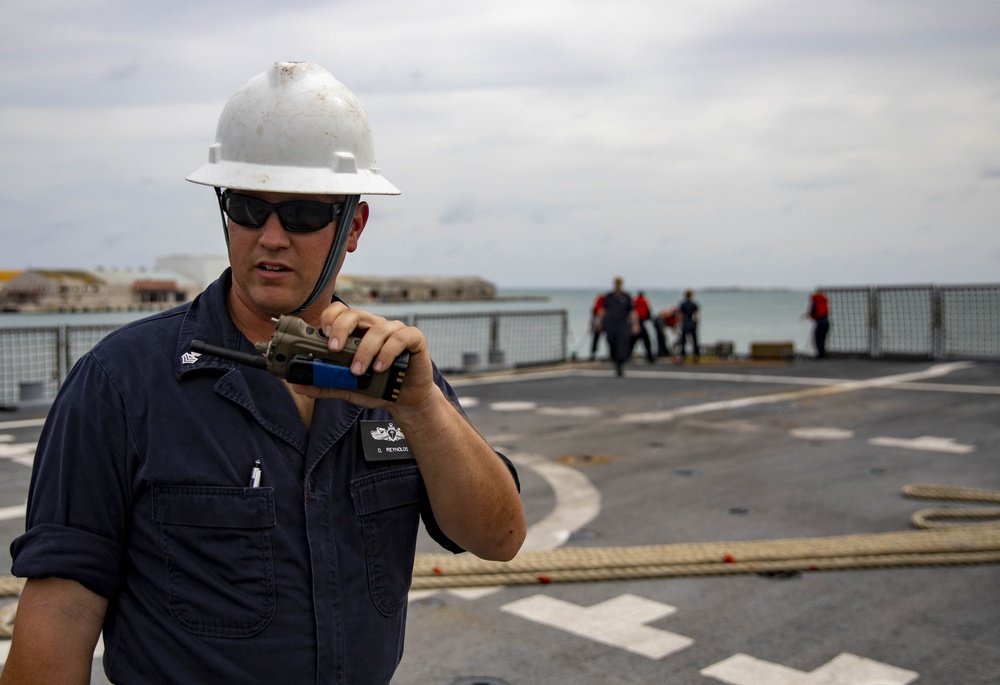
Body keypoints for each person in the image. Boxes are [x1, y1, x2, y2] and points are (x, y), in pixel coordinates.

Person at [2, 62, 526, 685]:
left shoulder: (394, 375)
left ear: (352, 227)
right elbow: (60, 611)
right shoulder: (120, 382)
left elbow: (498, 537)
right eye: (249, 208)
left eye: (303, 215)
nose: (270, 237)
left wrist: (421, 408)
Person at [598, 277, 639, 376]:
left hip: (622, 324)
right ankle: (614, 359)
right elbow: (603, 310)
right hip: (610, 324)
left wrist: (635, 325)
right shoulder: (609, 296)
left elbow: (632, 311)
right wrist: (599, 323)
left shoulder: (626, 297)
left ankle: (620, 364)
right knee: (611, 343)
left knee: (622, 344)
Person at [630, 291, 655, 364]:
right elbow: (648, 313)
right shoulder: (645, 302)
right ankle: (650, 357)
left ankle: (626, 355)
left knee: (632, 342)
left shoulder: (635, 302)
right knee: (647, 342)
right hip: (641, 322)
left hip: (635, 323)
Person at [805, 288, 830, 358]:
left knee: (818, 337)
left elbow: (813, 311)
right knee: (823, 337)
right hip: (826, 321)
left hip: (820, 321)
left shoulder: (815, 300)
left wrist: (808, 315)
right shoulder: (824, 300)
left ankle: (820, 354)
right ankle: (822, 352)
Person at [677, 289, 700, 363]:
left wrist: (679, 324)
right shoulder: (694, 304)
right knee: (694, 340)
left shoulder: (682, 304)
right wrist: (697, 323)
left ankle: (683, 355)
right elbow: (697, 315)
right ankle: (696, 355)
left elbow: (680, 315)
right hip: (692, 323)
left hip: (685, 323)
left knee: (683, 341)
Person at [588, 293, 604, 360]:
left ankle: (592, 354)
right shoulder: (603, 304)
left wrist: (591, 326)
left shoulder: (597, 305)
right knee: (609, 340)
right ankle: (613, 354)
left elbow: (593, 317)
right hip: (603, 323)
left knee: (595, 339)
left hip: (598, 324)